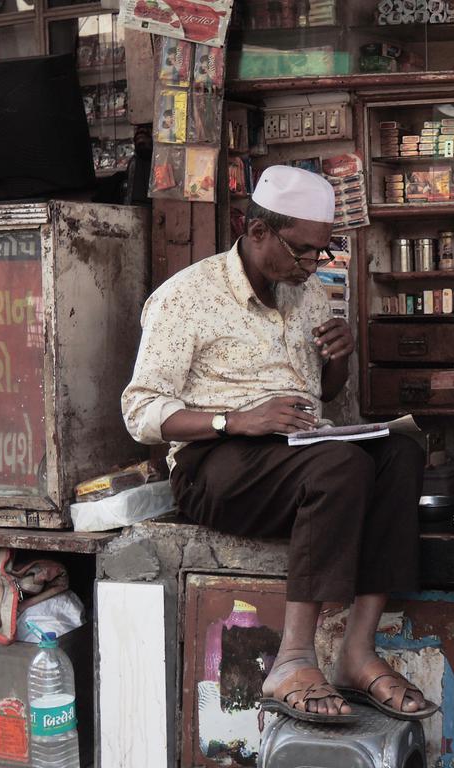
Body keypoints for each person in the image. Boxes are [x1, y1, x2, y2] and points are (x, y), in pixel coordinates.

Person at [121, 166, 437, 724]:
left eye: (321, 253)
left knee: (401, 453)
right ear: (256, 229)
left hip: (296, 456)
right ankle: (293, 659)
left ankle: (357, 653)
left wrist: (338, 361)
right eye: (302, 252)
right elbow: (141, 412)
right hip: (212, 466)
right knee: (338, 465)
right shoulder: (186, 298)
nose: (312, 266)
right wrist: (235, 420)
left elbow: (328, 396)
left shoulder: (311, 295)